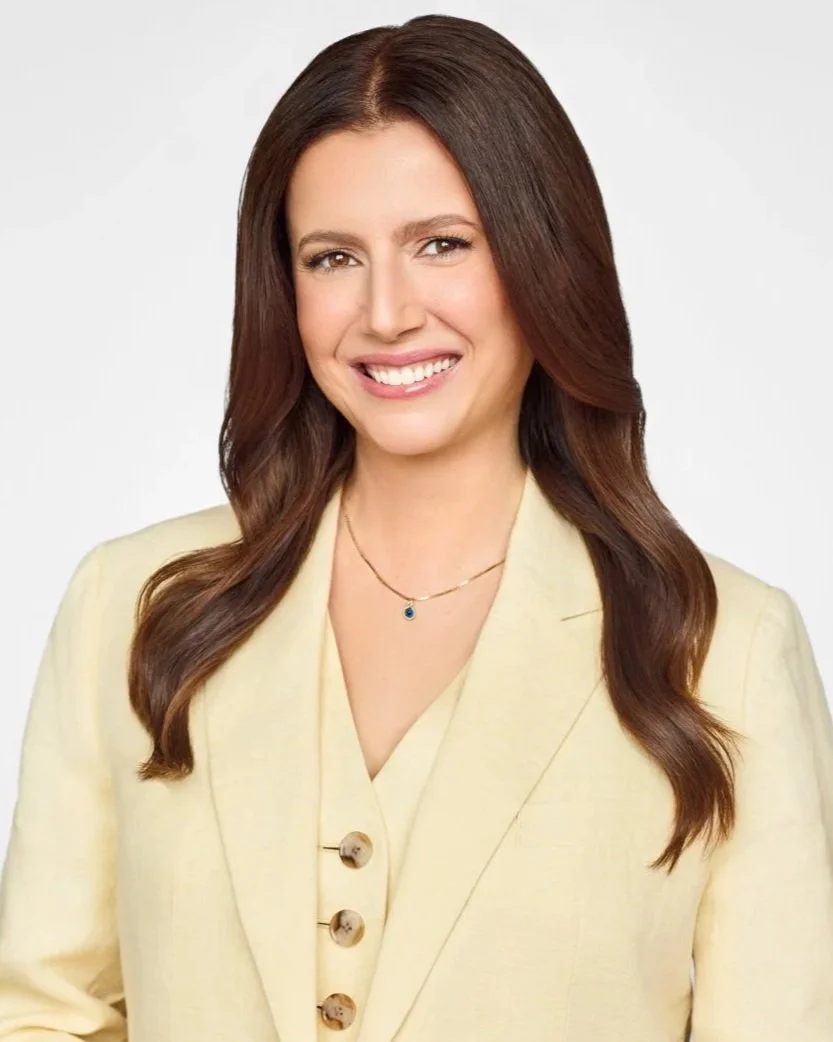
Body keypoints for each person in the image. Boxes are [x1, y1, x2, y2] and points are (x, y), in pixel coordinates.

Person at [1, 12, 831, 1042]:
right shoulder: (130, 607)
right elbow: (41, 1014)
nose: (386, 312)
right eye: (331, 258)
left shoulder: (723, 650)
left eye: (442, 244)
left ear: (544, 259)